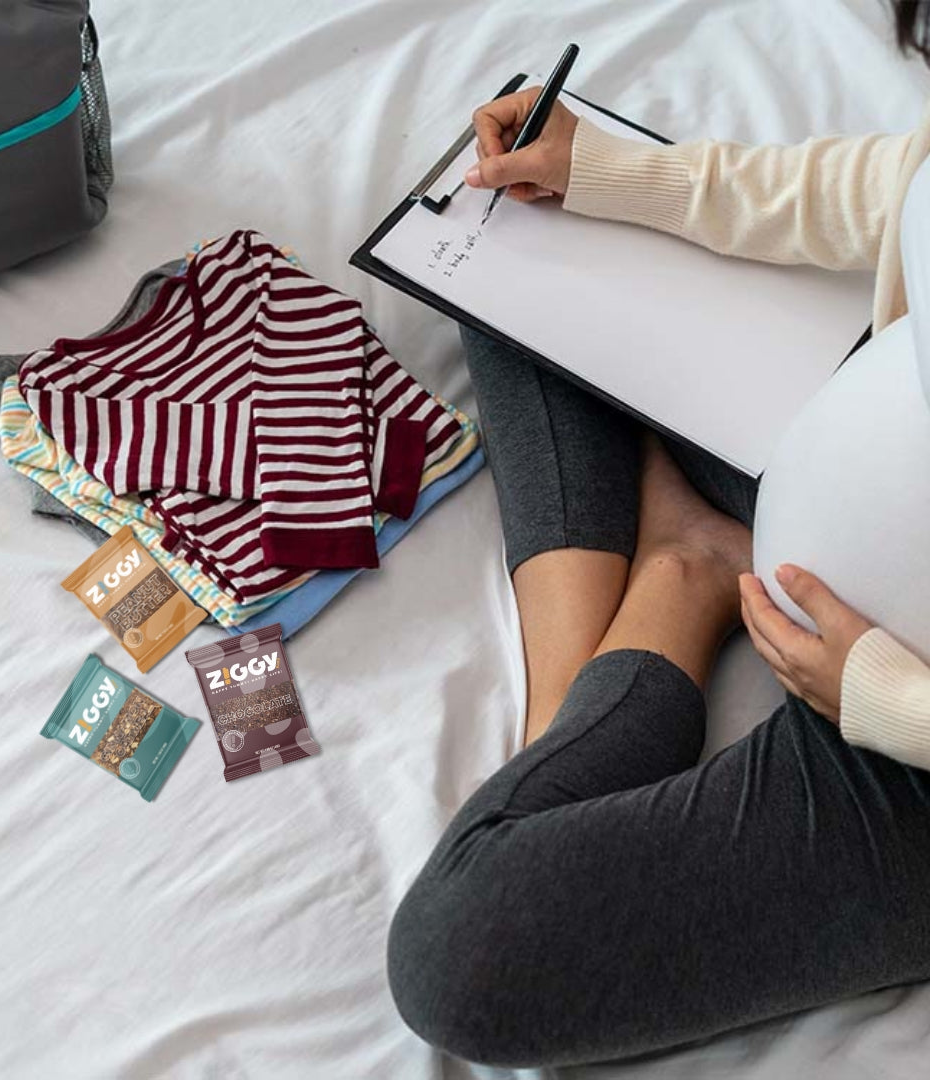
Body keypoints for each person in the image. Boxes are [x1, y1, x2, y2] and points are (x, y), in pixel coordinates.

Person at [386, 2, 930, 1068]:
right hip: (828, 457)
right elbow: (899, 189)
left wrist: (889, 699)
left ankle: (677, 592)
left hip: (900, 746)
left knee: (467, 955)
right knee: (498, 232)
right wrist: (617, 175)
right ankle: (580, 710)